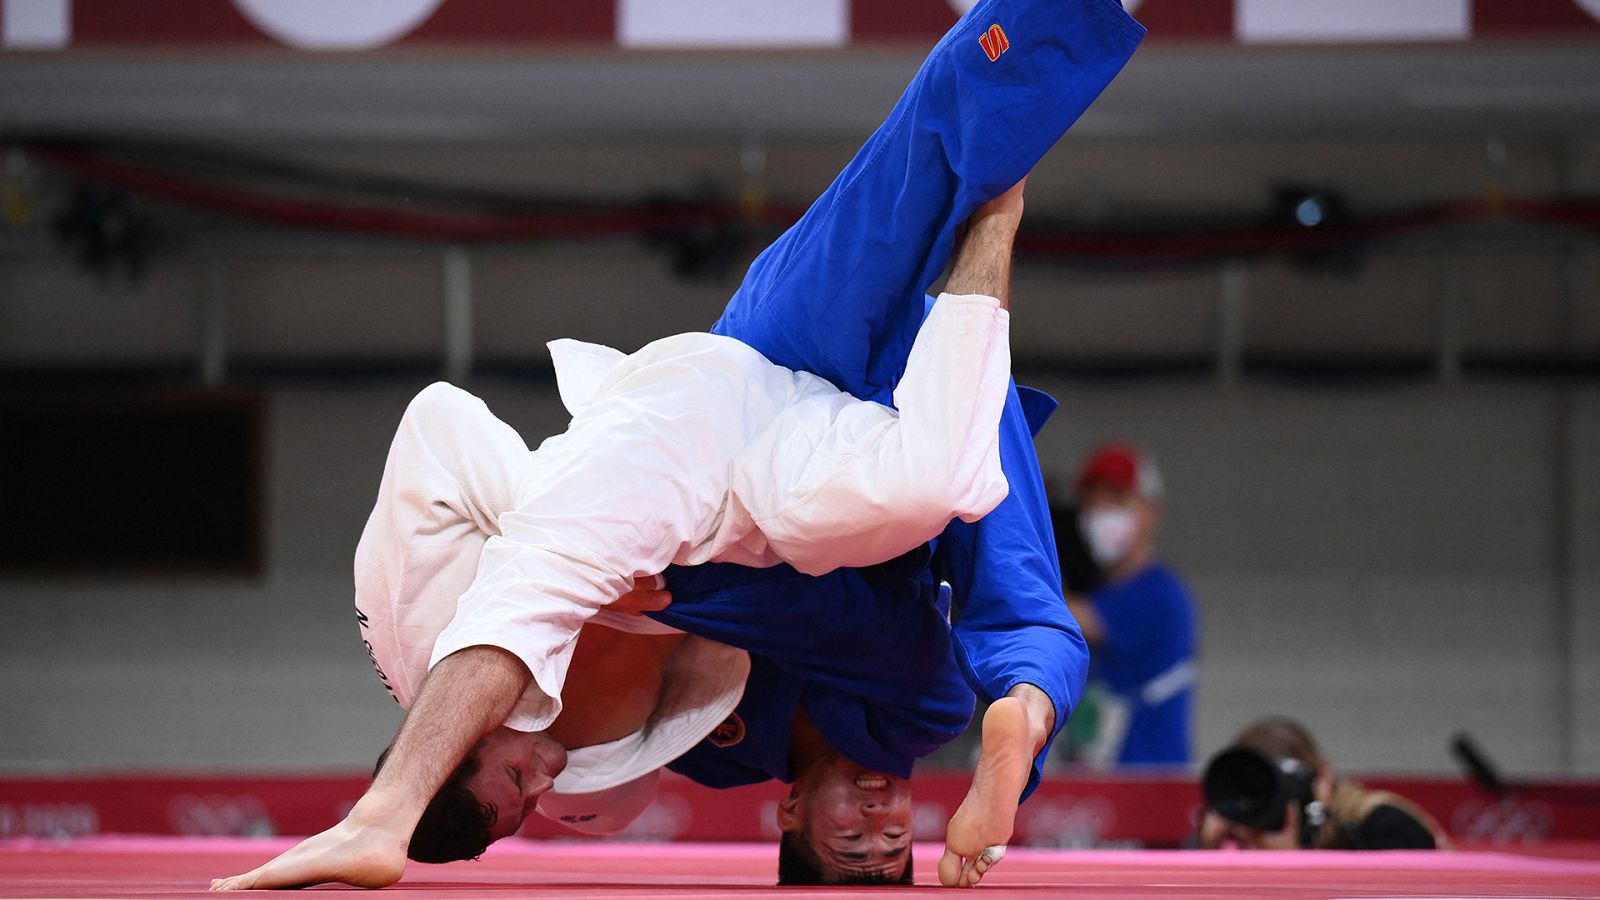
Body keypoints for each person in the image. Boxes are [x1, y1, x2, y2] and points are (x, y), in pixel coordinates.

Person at [212, 0, 1145, 888]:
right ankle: (1025, 703)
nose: (543, 789)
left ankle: (381, 815)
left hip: (720, 409)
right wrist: (658, 608)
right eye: (528, 809)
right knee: (949, 495)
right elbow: (717, 654)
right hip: (789, 505)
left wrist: (586, 558)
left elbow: (442, 424)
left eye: (513, 784)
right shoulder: (609, 775)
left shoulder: (417, 625)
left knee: (918, 175)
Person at [1065, 443, 1197, 768]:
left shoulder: (1160, 594)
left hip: (1150, 782)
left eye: (1117, 501)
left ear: (1151, 510)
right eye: (1092, 503)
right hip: (1099, 781)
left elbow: (1066, 618)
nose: (1101, 515)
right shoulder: (1097, 591)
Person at [1197, 717, 1447, 850]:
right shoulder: (1235, 835)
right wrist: (1207, 856)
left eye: (1274, 787)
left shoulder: (1383, 825)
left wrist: (1292, 869)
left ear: (1321, 778)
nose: (1263, 802)